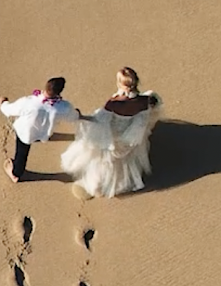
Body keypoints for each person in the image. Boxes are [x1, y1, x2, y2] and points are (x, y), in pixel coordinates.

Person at [60, 67, 163, 197]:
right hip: (129, 135)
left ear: (120, 84)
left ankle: (96, 184)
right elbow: (151, 108)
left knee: (103, 160)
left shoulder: (114, 103)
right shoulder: (145, 101)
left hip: (112, 135)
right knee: (122, 161)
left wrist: (82, 117)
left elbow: (99, 119)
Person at [0, 77, 77, 182]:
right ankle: (39, 138)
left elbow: (10, 110)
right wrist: (77, 114)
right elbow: (72, 116)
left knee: (21, 154)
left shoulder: (28, 102)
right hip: (43, 132)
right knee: (42, 134)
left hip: (26, 134)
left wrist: (3, 103)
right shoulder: (63, 107)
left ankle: (16, 173)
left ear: (46, 86)